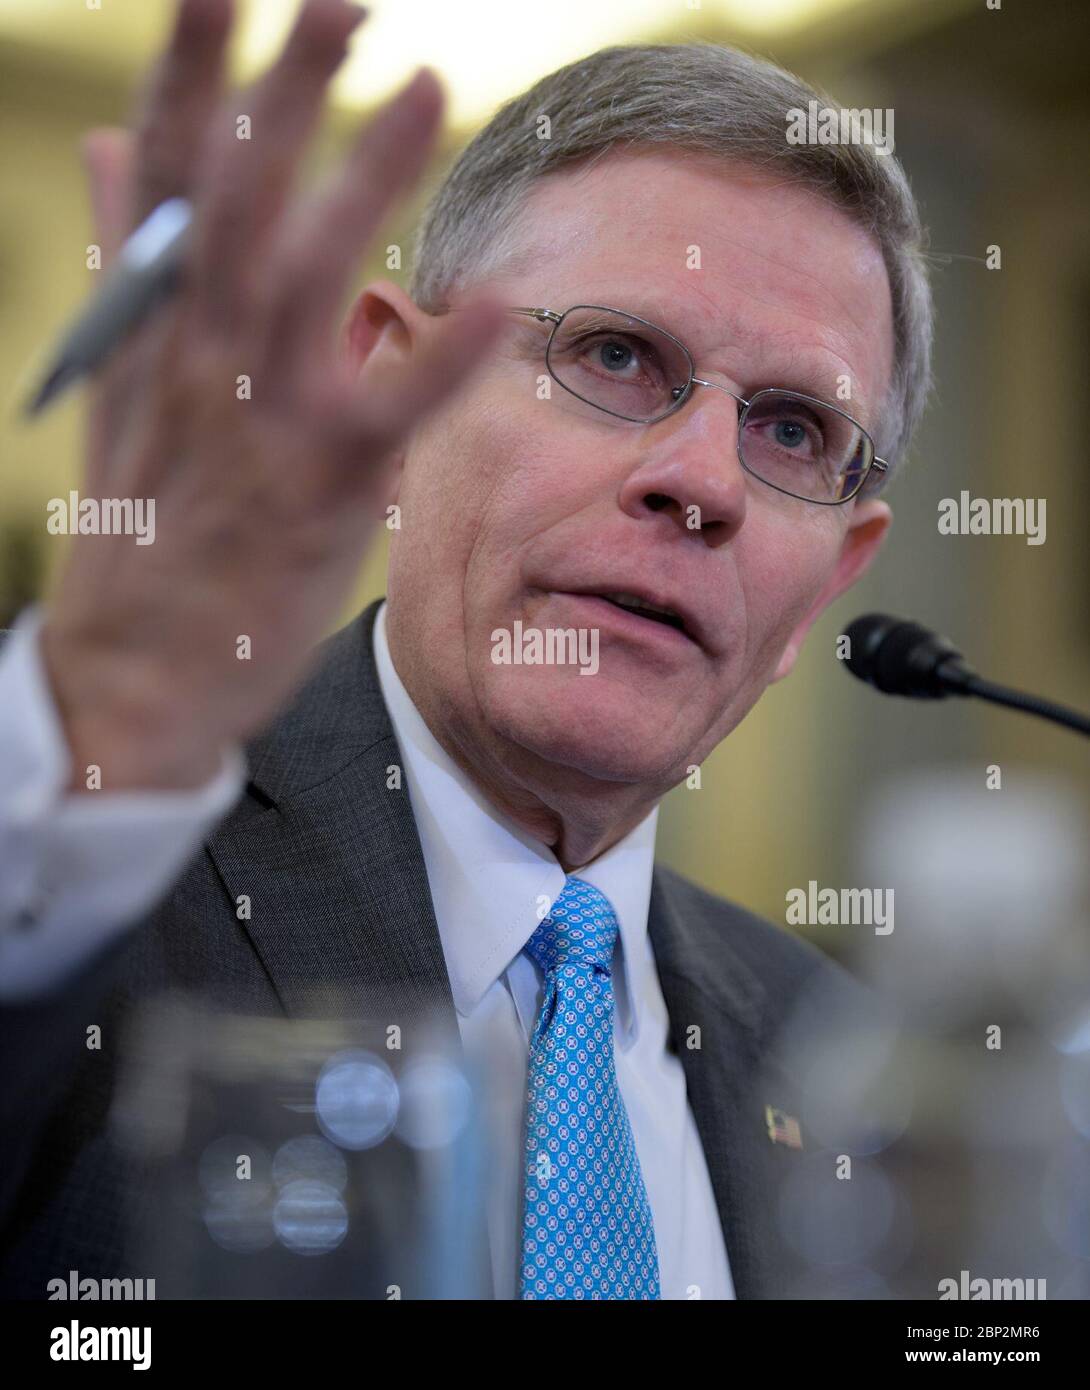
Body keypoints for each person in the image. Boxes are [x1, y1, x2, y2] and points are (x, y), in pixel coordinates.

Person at [0, 0, 932, 1299]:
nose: (702, 482)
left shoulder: (844, 1056)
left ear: (830, 575)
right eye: (614, 353)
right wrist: (79, 752)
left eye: (788, 432)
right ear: (394, 396)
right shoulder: (81, 890)